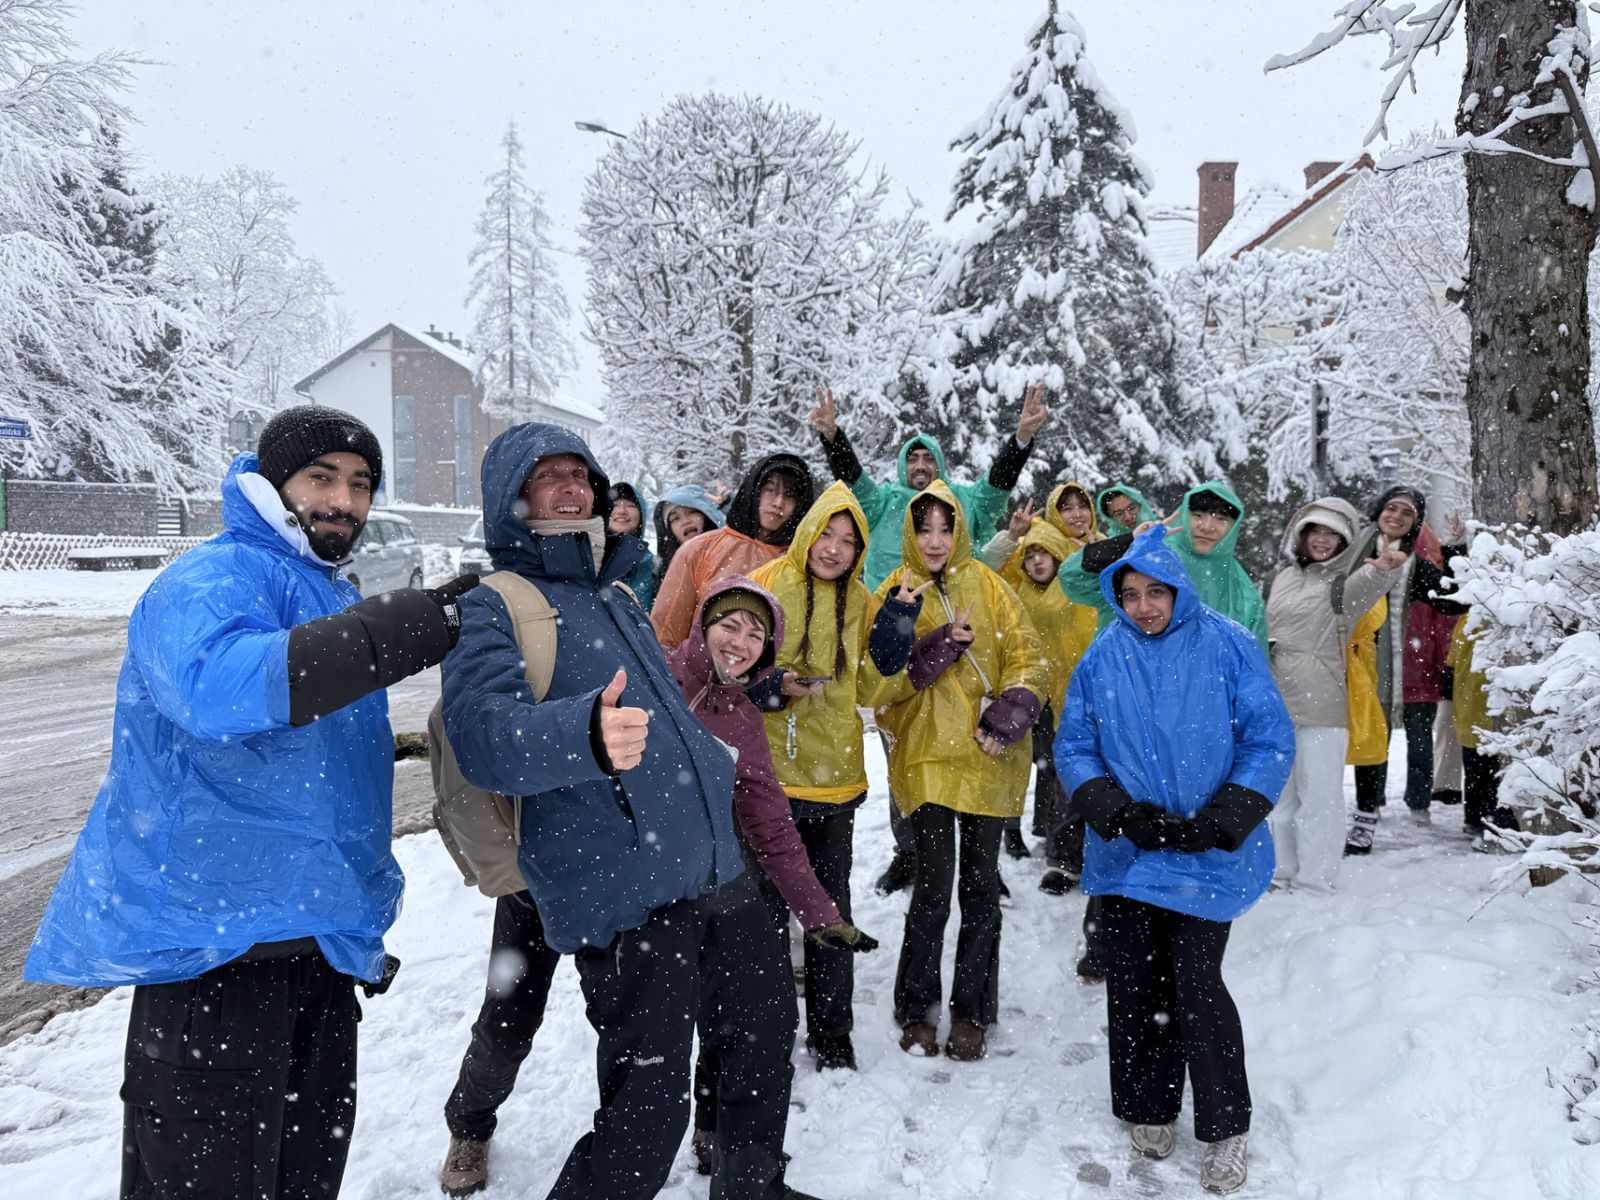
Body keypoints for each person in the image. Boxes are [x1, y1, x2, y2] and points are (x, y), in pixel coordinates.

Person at [26, 405, 475, 1200]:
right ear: (273, 485)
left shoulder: (324, 591)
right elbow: (219, 686)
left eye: (361, 483)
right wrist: (402, 629)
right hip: (217, 961)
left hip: (318, 948)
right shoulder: (212, 577)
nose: (344, 499)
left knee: (305, 1181)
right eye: (321, 478)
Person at [441, 423, 803, 1200]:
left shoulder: (621, 594)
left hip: (712, 862)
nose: (573, 488)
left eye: (582, 474)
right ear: (514, 500)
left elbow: (675, 699)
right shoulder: (498, 605)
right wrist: (581, 734)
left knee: (763, 1038)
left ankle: (753, 1187)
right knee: (648, 1106)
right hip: (626, 887)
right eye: (549, 477)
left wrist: (717, 754)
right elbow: (480, 735)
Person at [1055, 527, 1294, 1196]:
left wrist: (1225, 818)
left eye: (1154, 592)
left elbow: (1269, 739)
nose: (1143, 607)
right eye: (1128, 595)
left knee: (1195, 983)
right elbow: (1074, 746)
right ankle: (1149, 1106)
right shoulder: (1103, 656)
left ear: (1177, 588)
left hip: (1207, 855)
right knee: (1134, 980)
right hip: (1131, 851)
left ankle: (1226, 1128)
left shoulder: (1227, 644)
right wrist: (1117, 812)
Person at [672, 577, 878, 1189]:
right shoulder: (657, 680)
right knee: (650, 1055)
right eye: (730, 625)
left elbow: (772, 825)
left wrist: (819, 913)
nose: (740, 642)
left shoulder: (742, 719)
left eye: (756, 634)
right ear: (704, 624)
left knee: (762, 1017)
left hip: (719, 883)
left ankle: (745, 1168)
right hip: (649, 895)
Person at [809, 385, 1049, 892]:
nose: (919, 464)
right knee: (908, 747)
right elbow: (852, 480)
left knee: (972, 742)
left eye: (927, 457)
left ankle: (980, 862)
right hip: (899, 626)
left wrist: (1022, 438)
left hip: (968, 625)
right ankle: (910, 851)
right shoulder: (885, 502)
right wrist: (832, 436)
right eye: (911, 458)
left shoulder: (961, 502)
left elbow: (994, 488)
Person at [748, 482, 925, 1071]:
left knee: (830, 911)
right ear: (808, 532)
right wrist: (773, 688)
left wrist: (898, 622)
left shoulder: (863, 600)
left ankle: (832, 1034)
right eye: (827, 532)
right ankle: (768, 1032)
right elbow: (732, 668)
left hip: (834, 782)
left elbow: (875, 687)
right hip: (767, 782)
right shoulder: (769, 584)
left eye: (849, 541)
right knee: (764, 916)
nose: (834, 547)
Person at [873, 483, 1045, 1062]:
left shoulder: (993, 587)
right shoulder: (893, 591)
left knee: (980, 889)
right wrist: (933, 645)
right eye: (924, 529)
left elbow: (1029, 655)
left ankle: (972, 1010)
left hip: (986, 755)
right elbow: (877, 683)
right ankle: (917, 1007)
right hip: (926, 758)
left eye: (946, 528)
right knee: (932, 891)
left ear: (961, 531)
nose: (936, 541)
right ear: (909, 534)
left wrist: (1014, 708)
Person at [1266, 498, 1407, 893]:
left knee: (1320, 796)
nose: (1323, 540)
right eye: (1316, 531)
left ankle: (1315, 882)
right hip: (1278, 700)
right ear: (1302, 533)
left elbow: (1368, 586)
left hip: (1323, 701)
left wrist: (1382, 571)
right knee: (1281, 796)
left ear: (1345, 540)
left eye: (1333, 533)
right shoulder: (1282, 578)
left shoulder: (1344, 581)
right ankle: (1280, 873)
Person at [1343, 490, 1467, 852]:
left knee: (1416, 733)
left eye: (1407, 512)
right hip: (1354, 659)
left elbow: (1452, 597)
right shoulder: (1353, 550)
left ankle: (1417, 804)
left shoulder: (1415, 563)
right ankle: (1370, 804)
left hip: (1407, 664)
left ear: (1417, 522)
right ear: (1378, 510)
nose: (1396, 516)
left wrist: (1456, 549)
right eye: (1391, 508)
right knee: (1366, 735)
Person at [980, 492, 1097, 870]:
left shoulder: (1077, 582)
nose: (1036, 560)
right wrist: (1013, 537)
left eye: (1043, 553)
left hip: (1071, 690)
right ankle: (1011, 829)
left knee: (1060, 766)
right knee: (1019, 761)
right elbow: (982, 569)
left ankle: (1057, 839)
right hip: (1029, 689)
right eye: (1030, 556)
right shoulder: (1017, 589)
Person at [1061, 481, 1267, 650]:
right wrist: (1121, 544)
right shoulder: (1152, 556)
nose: (1207, 526)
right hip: (1132, 685)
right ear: (1185, 515)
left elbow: (1254, 673)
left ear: (1234, 526)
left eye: (1221, 519)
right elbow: (1072, 578)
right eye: (1198, 516)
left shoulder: (1243, 591)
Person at [651, 453, 814, 650]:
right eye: (770, 490)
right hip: (701, 675)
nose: (778, 502)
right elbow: (665, 635)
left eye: (790, 495)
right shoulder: (699, 549)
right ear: (754, 490)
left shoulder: (805, 562)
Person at [650, 482, 726, 600]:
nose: (685, 521)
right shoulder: (662, 573)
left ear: (706, 515)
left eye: (691, 512)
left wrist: (730, 508)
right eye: (675, 518)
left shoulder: (731, 552)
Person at [606, 481, 658, 609]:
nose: (622, 511)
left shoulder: (654, 568)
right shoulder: (587, 559)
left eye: (630, 506)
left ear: (641, 515)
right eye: (615, 505)